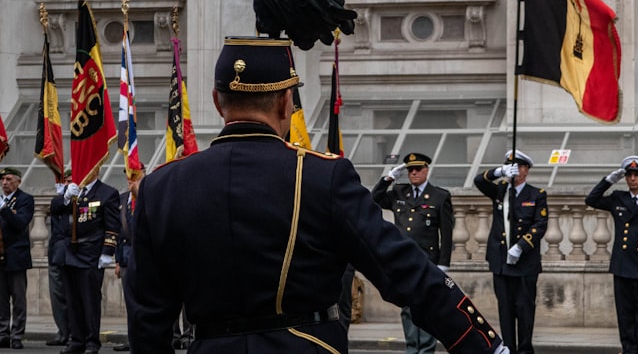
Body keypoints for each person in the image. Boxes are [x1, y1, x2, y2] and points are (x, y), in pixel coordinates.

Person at [127, 36, 508, 354]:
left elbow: (147, 316)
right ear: (285, 103)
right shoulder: (321, 176)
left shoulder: (161, 187)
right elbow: (403, 270)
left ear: (216, 100)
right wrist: (483, 345)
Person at [585, 156, 638, 354]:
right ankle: (629, 350)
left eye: (637, 175)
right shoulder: (618, 198)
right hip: (623, 266)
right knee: (625, 316)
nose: (633, 179)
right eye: (629, 175)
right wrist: (609, 180)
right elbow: (591, 200)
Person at [372, 152, 455, 354]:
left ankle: (426, 350)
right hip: (404, 261)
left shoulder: (439, 196)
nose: (414, 173)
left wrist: (443, 263)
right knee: (408, 308)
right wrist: (388, 178)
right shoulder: (400, 193)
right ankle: (412, 348)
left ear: (427, 169)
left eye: (418, 169)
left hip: (427, 261)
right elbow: (373, 200)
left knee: (427, 307)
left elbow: (447, 232)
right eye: (410, 170)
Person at [473, 150, 548, 354]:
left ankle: (524, 350)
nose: (514, 170)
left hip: (524, 263)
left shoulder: (536, 194)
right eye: (510, 166)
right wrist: (498, 172)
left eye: (517, 166)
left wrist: (521, 246)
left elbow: (540, 225)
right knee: (505, 310)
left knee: (524, 310)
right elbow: (478, 181)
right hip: (501, 262)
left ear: (526, 170)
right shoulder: (501, 190)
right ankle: (508, 349)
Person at [51, 172, 121, 354]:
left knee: (90, 300)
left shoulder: (107, 193)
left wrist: (107, 252)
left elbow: (112, 226)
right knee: (72, 300)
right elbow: (55, 208)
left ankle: (91, 341)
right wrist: (65, 197)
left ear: (95, 170)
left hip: (90, 253)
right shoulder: (72, 190)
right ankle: (76, 339)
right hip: (69, 253)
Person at [0, 167, 34, 350]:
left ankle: (17, 335)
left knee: (18, 299)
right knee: (1, 299)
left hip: (16, 255)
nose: (4, 182)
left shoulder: (25, 200)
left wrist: (4, 210)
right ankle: (3, 333)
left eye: (8, 178)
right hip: (0, 255)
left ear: (18, 181)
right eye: (3, 179)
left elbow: (20, 223)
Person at [113, 171, 142, 352]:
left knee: (145, 301)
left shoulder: (149, 196)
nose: (130, 179)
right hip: (125, 255)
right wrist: (117, 260)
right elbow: (117, 232)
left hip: (145, 256)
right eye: (128, 175)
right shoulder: (123, 199)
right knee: (130, 302)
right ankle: (133, 339)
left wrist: (139, 193)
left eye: (135, 175)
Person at [46, 170, 72, 347]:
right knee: (58, 297)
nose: (70, 184)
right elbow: (56, 206)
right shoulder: (60, 199)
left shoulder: (84, 198)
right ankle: (63, 332)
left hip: (76, 255)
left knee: (74, 298)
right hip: (57, 255)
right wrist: (66, 195)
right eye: (67, 181)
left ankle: (76, 333)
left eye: (73, 181)